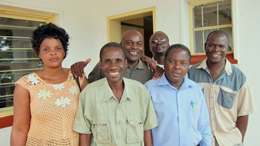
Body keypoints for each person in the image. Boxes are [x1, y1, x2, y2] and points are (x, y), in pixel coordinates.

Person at [11, 23, 88, 145]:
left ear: (64, 52)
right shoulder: (26, 85)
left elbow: (87, 121)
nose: (53, 53)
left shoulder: (78, 79)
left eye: (58, 48)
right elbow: (19, 130)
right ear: (39, 54)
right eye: (46, 49)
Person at [73, 42, 158, 146]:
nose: (113, 66)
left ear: (125, 63)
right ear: (101, 65)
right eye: (107, 61)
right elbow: (85, 133)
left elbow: (146, 130)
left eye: (118, 61)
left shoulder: (140, 91)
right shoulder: (89, 94)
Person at [188, 30, 256, 146]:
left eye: (221, 46)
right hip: (199, 141)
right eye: (212, 45)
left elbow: (243, 114)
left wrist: (238, 140)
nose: (216, 50)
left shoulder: (238, 77)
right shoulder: (191, 73)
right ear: (205, 46)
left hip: (228, 142)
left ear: (228, 49)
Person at [145, 44, 212, 146]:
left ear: (188, 65)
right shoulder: (149, 89)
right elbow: (145, 128)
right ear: (164, 62)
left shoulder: (195, 89)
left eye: (183, 63)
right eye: (172, 61)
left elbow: (203, 125)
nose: (177, 67)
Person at [71, 29, 163, 84]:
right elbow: (89, 89)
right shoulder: (104, 67)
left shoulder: (150, 69)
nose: (135, 47)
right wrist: (79, 72)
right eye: (129, 43)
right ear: (120, 45)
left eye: (139, 44)